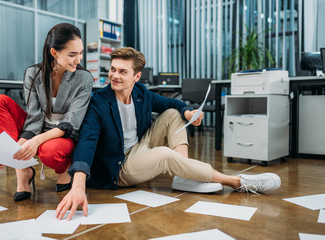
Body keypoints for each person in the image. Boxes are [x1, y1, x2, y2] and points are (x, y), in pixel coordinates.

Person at [56, 47, 281, 220]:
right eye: (113, 69)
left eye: (122, 71)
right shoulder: (98, 102)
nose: (114, 76)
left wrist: (188, 111)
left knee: (174, 113)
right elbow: (87, 142)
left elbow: (169, 103)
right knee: (164, 154)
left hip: (138, 148)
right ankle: (237, 181)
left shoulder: (141, 92)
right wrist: (78, 186)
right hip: (119, 167)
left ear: (136, 77)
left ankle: (184, 174)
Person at [0, 23, 93, 202]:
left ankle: (64, 169)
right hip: (39, 126)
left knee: (49, 152)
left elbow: (71, 122)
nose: (79, 59)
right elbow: (34, 117)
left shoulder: (84, 78)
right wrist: (10, 151)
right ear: (54, 52)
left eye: (81, 53)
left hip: (64, 133)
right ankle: (22, 170)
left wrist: (35, 141)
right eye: (72, 54)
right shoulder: (33, 73)